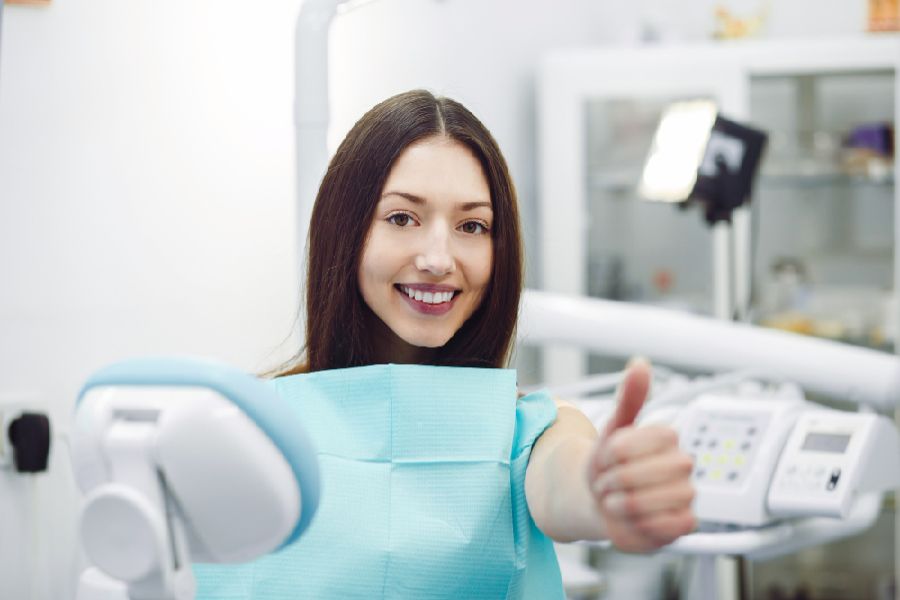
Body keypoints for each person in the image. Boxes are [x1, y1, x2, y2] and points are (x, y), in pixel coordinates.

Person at [195, 89, 695, 598]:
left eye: (472, 226)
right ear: (343, 231)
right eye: (402, 218)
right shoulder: (250, 427)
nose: (438, 258)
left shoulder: (531, 431)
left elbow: (563, 480)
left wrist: (599, 491)